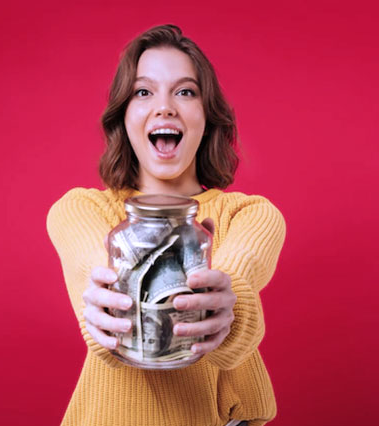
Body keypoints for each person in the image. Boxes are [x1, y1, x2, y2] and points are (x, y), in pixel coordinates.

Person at [47, 24, 286, 426]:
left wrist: (227, 312)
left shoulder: (251, 215)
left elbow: (236, 280)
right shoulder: (82, 209)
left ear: (206, 117)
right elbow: (92, 269)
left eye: (185, 91)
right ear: (123, 117)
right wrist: (105, 304)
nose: (165, 107)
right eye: (144, 92)